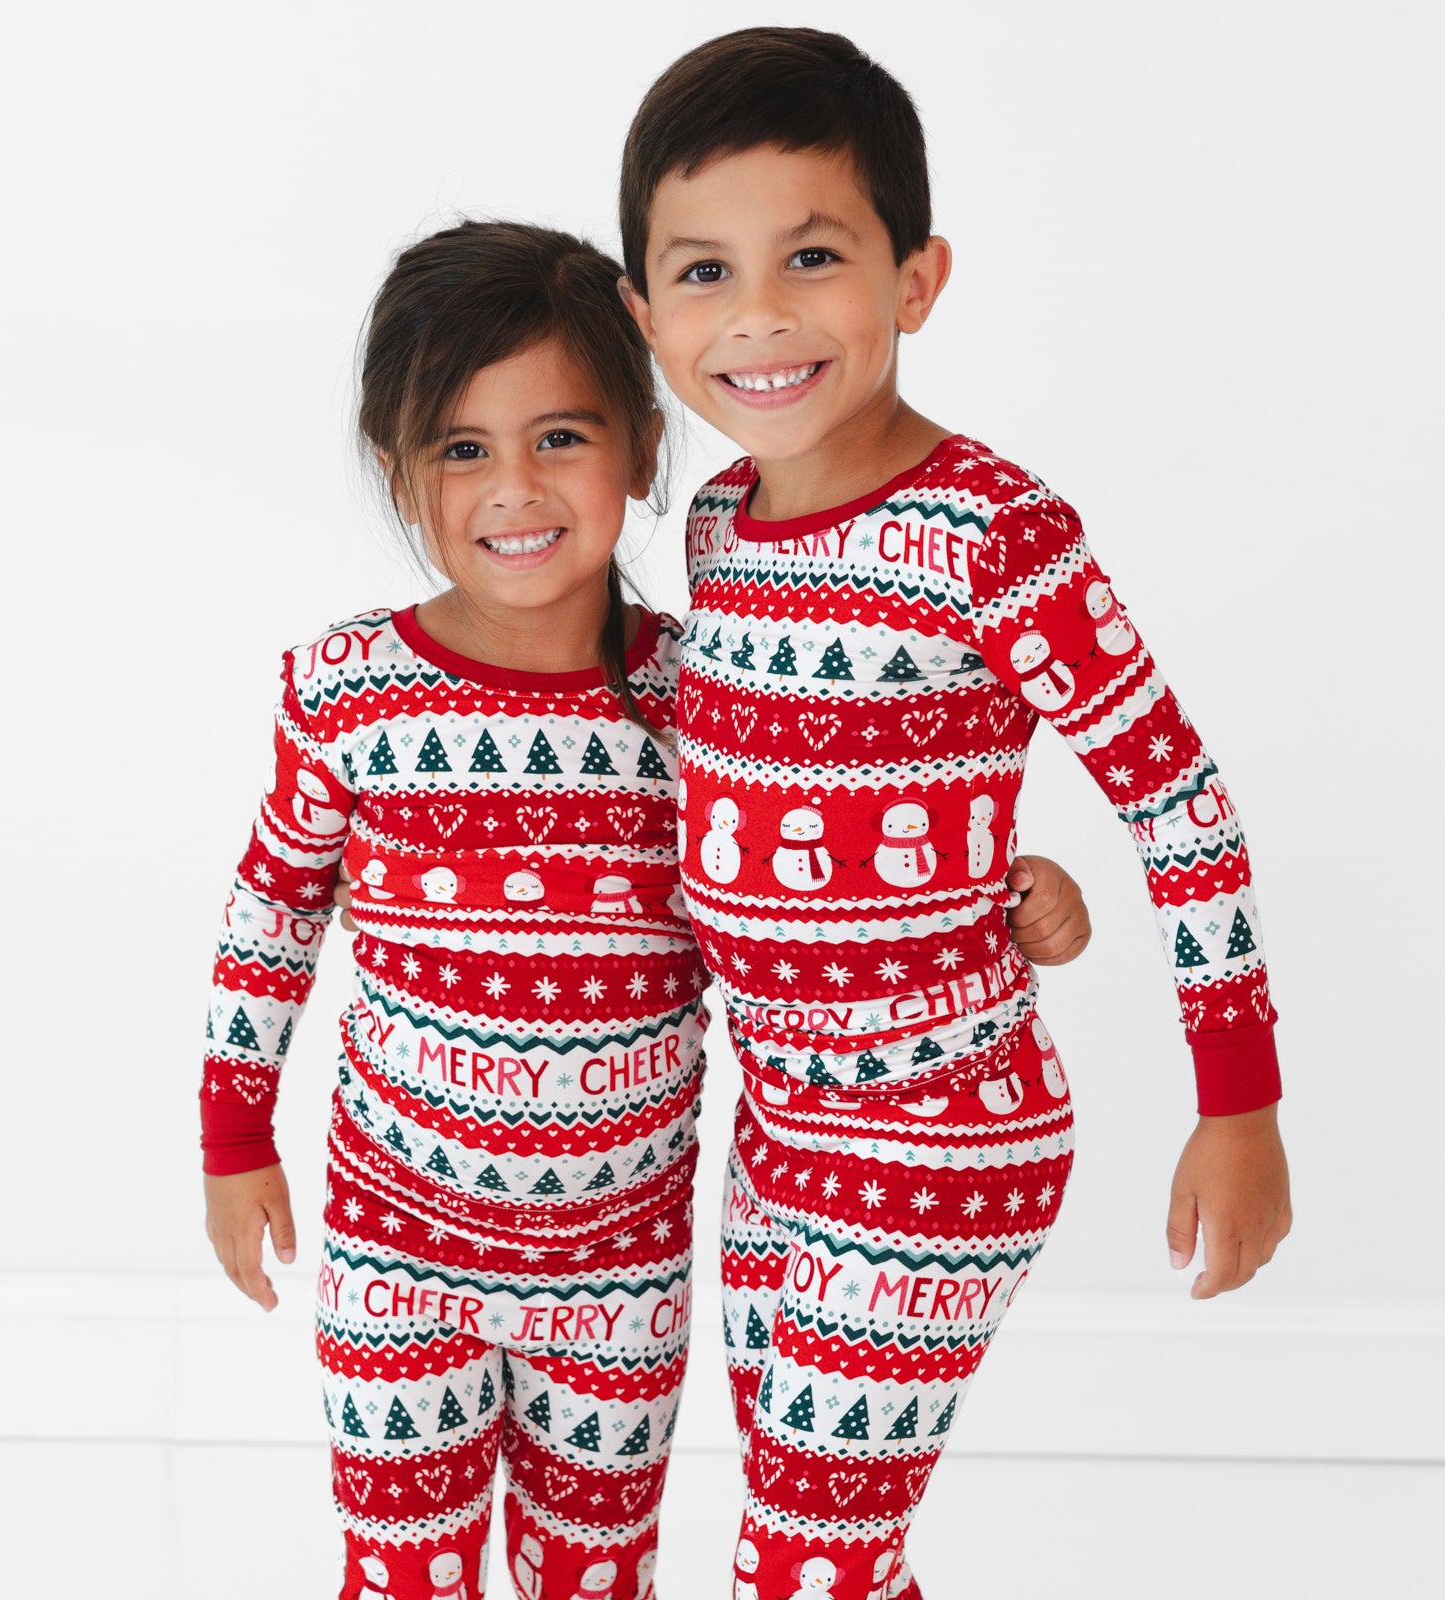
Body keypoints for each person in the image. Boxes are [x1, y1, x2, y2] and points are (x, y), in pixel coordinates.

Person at [201, 219, 1093, 1600]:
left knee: (599, 1570)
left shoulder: (701, 696)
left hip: (621, 1270)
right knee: (399, 1572)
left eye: (561, 437)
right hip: (397, 1256)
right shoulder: (347, 694)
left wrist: (1015, 896)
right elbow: (271, 915)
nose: (515, 488)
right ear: (399, 471)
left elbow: (830, 891)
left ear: (641, 448)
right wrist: (232, 1132)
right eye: (461, 448)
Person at [616, 28, 1292, 1600]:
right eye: (704, 275)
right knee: (818, 1541)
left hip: (939, 1134)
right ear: (646, 314)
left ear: (916, 280)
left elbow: (1178, 801)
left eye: (813, 257)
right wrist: (994, 870)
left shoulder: (998, 535)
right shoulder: (718, 525)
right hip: (771, 1134)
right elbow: (779, 760)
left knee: (804, 1559)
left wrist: (1239, 1099)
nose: (761, 315)